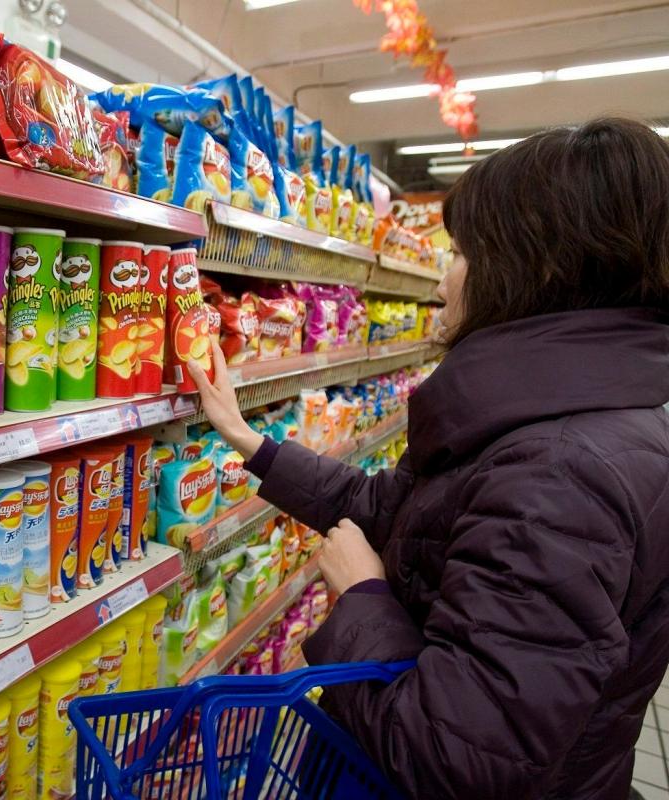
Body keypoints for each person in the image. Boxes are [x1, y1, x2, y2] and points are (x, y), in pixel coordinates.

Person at [188, 117, 669, 800]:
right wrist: (251, 442)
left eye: (463, 254)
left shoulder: (560, 476)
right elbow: (400, 513)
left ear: (537, 269)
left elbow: (453, 761)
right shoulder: (559, 423)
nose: (443, 285)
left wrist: (362, 598)